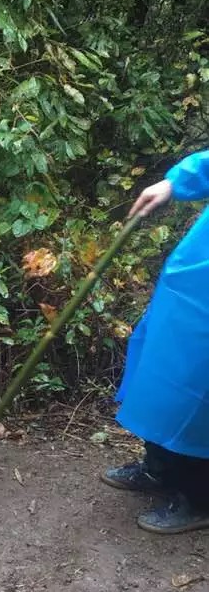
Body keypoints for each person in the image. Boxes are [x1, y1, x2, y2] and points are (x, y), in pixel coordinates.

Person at [102, 149, 209, 534]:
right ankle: (160, 467)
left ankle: (199, 499)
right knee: (163, 368)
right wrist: (175, 182)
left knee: (199, 391)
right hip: (194, 278)